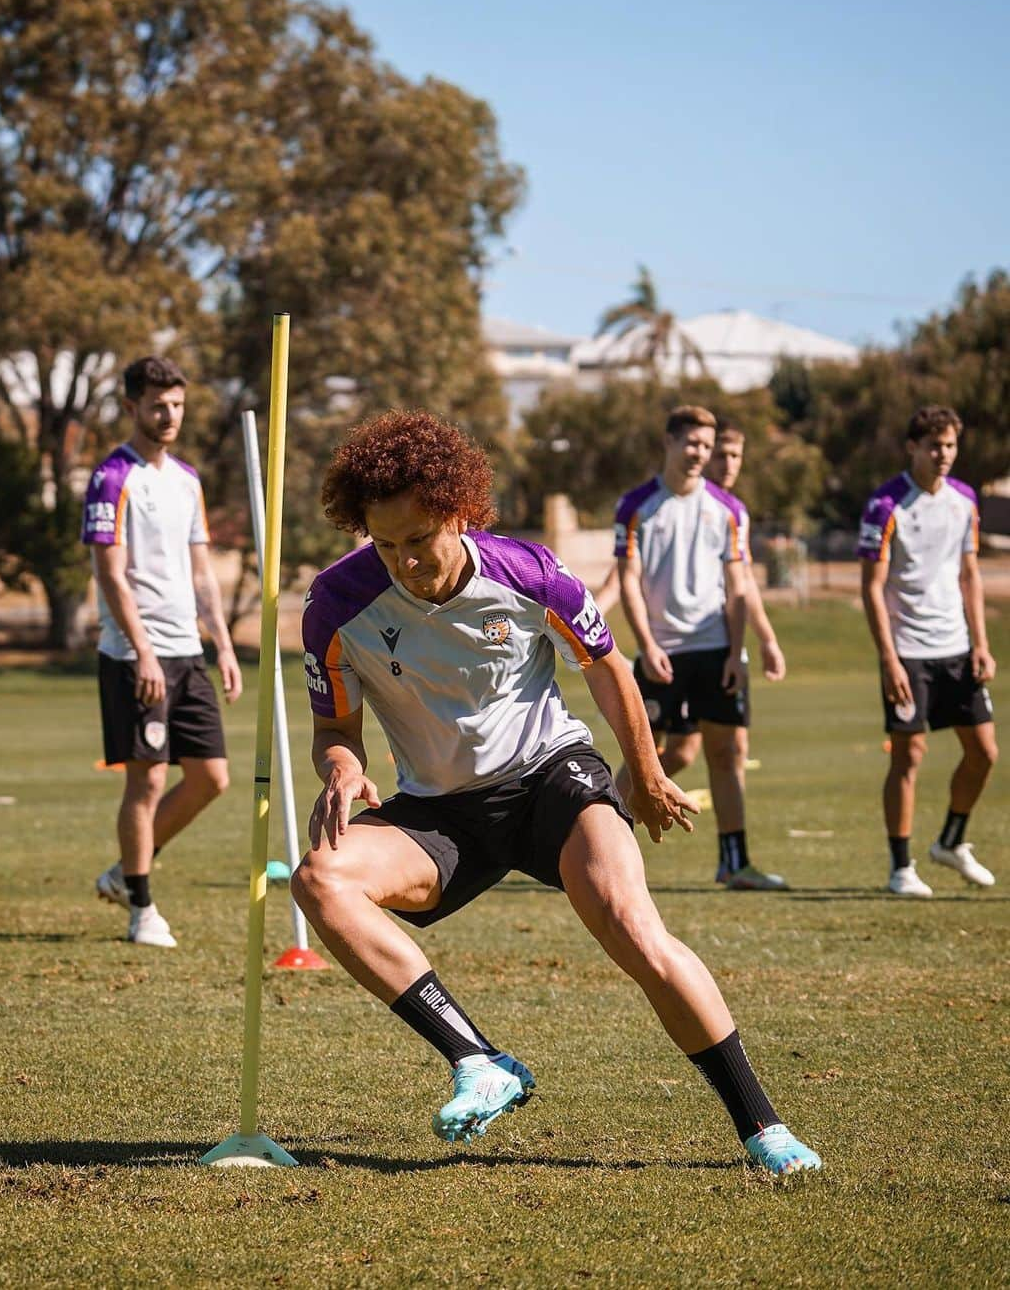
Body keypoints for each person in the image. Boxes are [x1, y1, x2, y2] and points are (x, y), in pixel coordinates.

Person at [292, 409, 820, 1175]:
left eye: (419, 540)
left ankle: (763, 1128)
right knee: (320, 878)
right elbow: (333, 727)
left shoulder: (530, 572)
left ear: (457, 514)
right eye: (386, 544)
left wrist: (643, 769)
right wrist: (341, 764)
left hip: (552, 779)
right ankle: (479, 1060)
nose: (404, 561)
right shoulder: (337, 607)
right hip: (440, 811)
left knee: (634, 928)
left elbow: (607, 668)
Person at [82, 356, 242, 947]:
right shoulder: (111, 478)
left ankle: (126, 873)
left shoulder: (186, 480)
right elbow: (110, 574)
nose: (169, 414)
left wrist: (222, 645)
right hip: (133, 655)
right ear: (132, 406)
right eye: (157, 404)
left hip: (187, 654)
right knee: (146, 783)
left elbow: (202, 574)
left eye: (176, 404)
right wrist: (143, 652)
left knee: (211, 778)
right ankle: (142, 909)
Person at [596, 422, 785, 882]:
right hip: (663, 653)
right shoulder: (637, 505)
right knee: (650, 755)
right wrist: (647, 644)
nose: (701, 452)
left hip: (716, 650)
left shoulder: (728, 509)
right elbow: (626, 579)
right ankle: (596, 847)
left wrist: (739, 652)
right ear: (670, 443)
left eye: (707, 444)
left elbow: (739, 586)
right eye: (693, 443)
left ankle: (735, 864)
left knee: (724, 755)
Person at [858, 405, 998, 897]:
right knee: (909, 755)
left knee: (984, 753)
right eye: (935, 445)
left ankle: (952, 842)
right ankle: (901, 867)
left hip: (957, 647)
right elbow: (873, 588)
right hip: (909, 650)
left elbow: (969, 575)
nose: (944, 455)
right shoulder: (885, 504)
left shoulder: (964, 500)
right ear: (913, 448)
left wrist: (981, 643)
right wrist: (889, 658)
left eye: (951, 446)